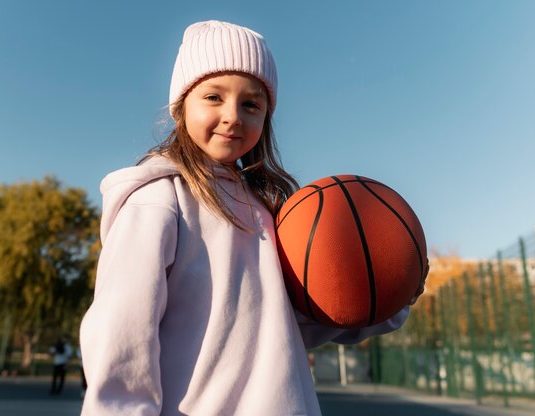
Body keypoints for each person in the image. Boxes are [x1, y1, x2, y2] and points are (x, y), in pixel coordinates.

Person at [80, 20, 427, 415]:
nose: (233, 116)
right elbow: (123, 329)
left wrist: (390, 300)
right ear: (181, 107)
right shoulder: (158, 199)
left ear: (265, 119)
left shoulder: (269, 211)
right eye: (213, 97)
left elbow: (295, 321)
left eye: (251, 104)